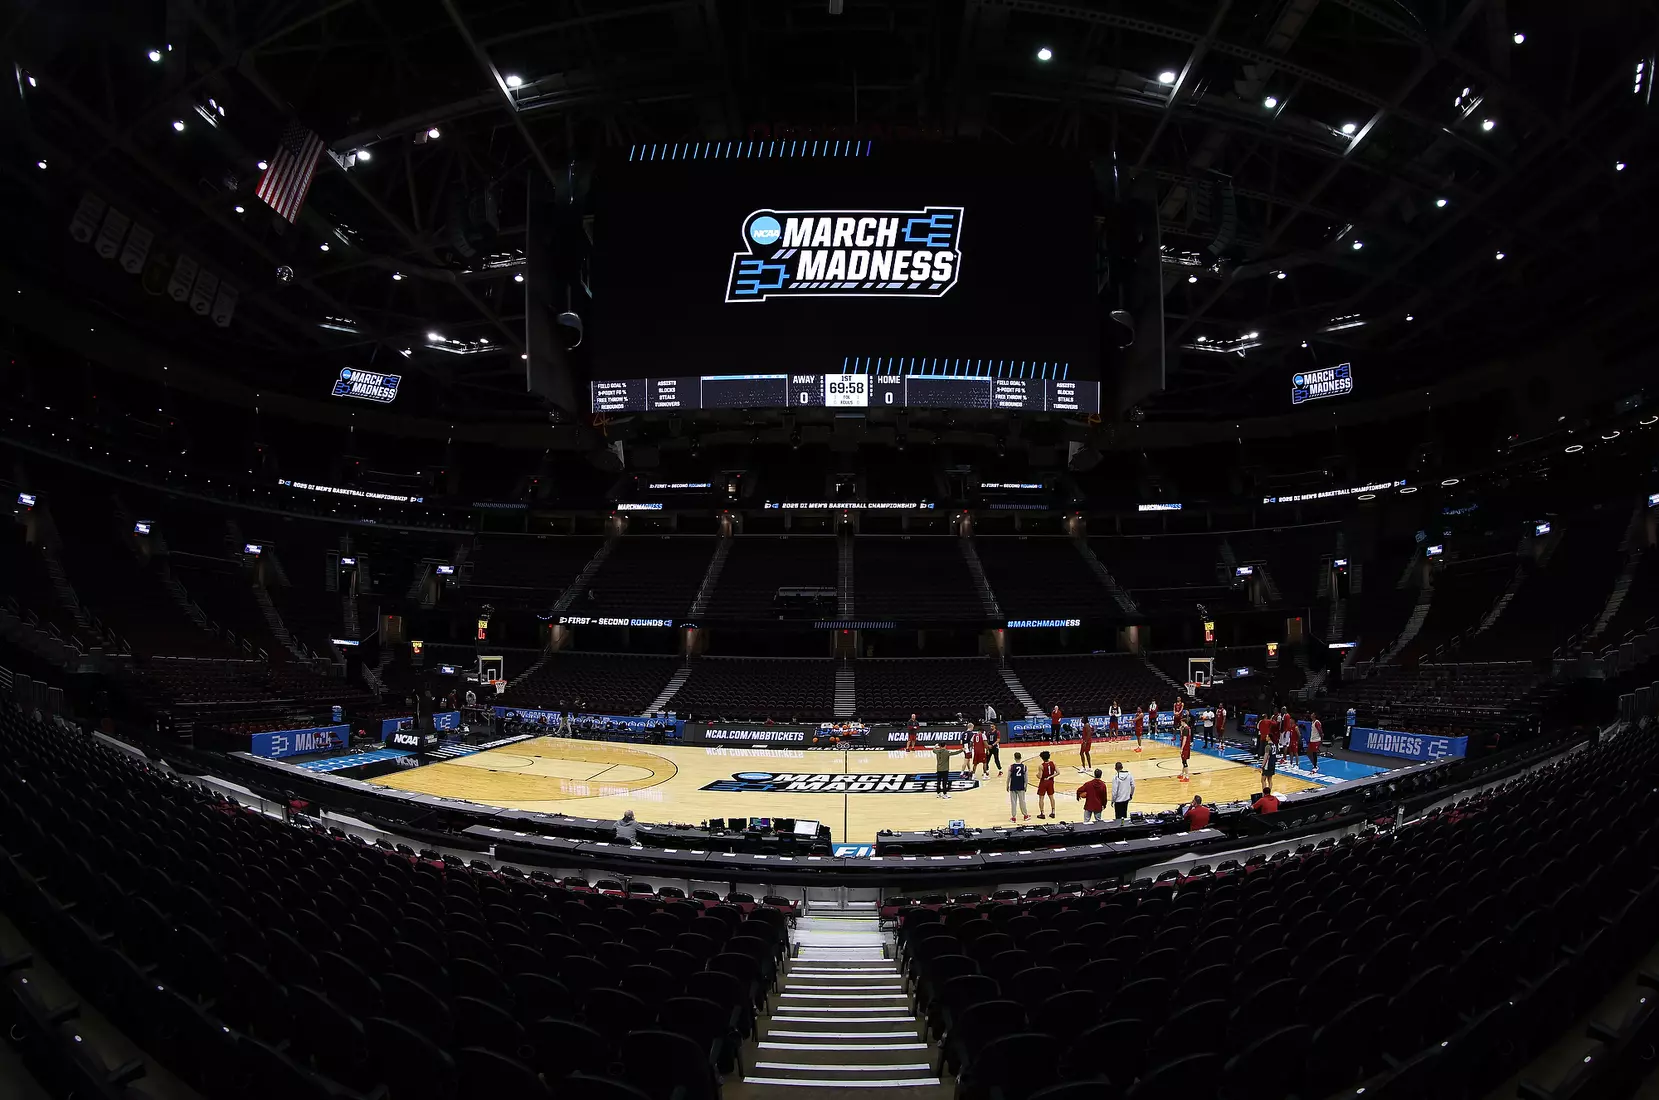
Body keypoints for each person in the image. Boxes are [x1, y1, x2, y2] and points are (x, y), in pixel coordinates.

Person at [1035, 750, 1060, 819]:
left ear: (1042, 758)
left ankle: (1042, 813)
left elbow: (1040, 776)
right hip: (1051, 782)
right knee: (1051, 797)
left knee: (1041, 798)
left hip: (1043, 782)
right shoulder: (1053, 763)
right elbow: (1058, 772)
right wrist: (1050, 776)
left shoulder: (1041, 766)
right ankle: (1053, 812)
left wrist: (1037, 775)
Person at [1007, 751, 1030, 822]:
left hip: (1013, 786)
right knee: (1022, 801)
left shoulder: (1011, 766)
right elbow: (1026, 778)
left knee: (1013, 802)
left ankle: (1013, 817)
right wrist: (1025, 786)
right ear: (1020, 758)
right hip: (1021, 786)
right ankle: (1025, 816)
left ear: (1014, 758)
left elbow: (1008, 777)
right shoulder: (1024, 767)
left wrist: (1007, 785)